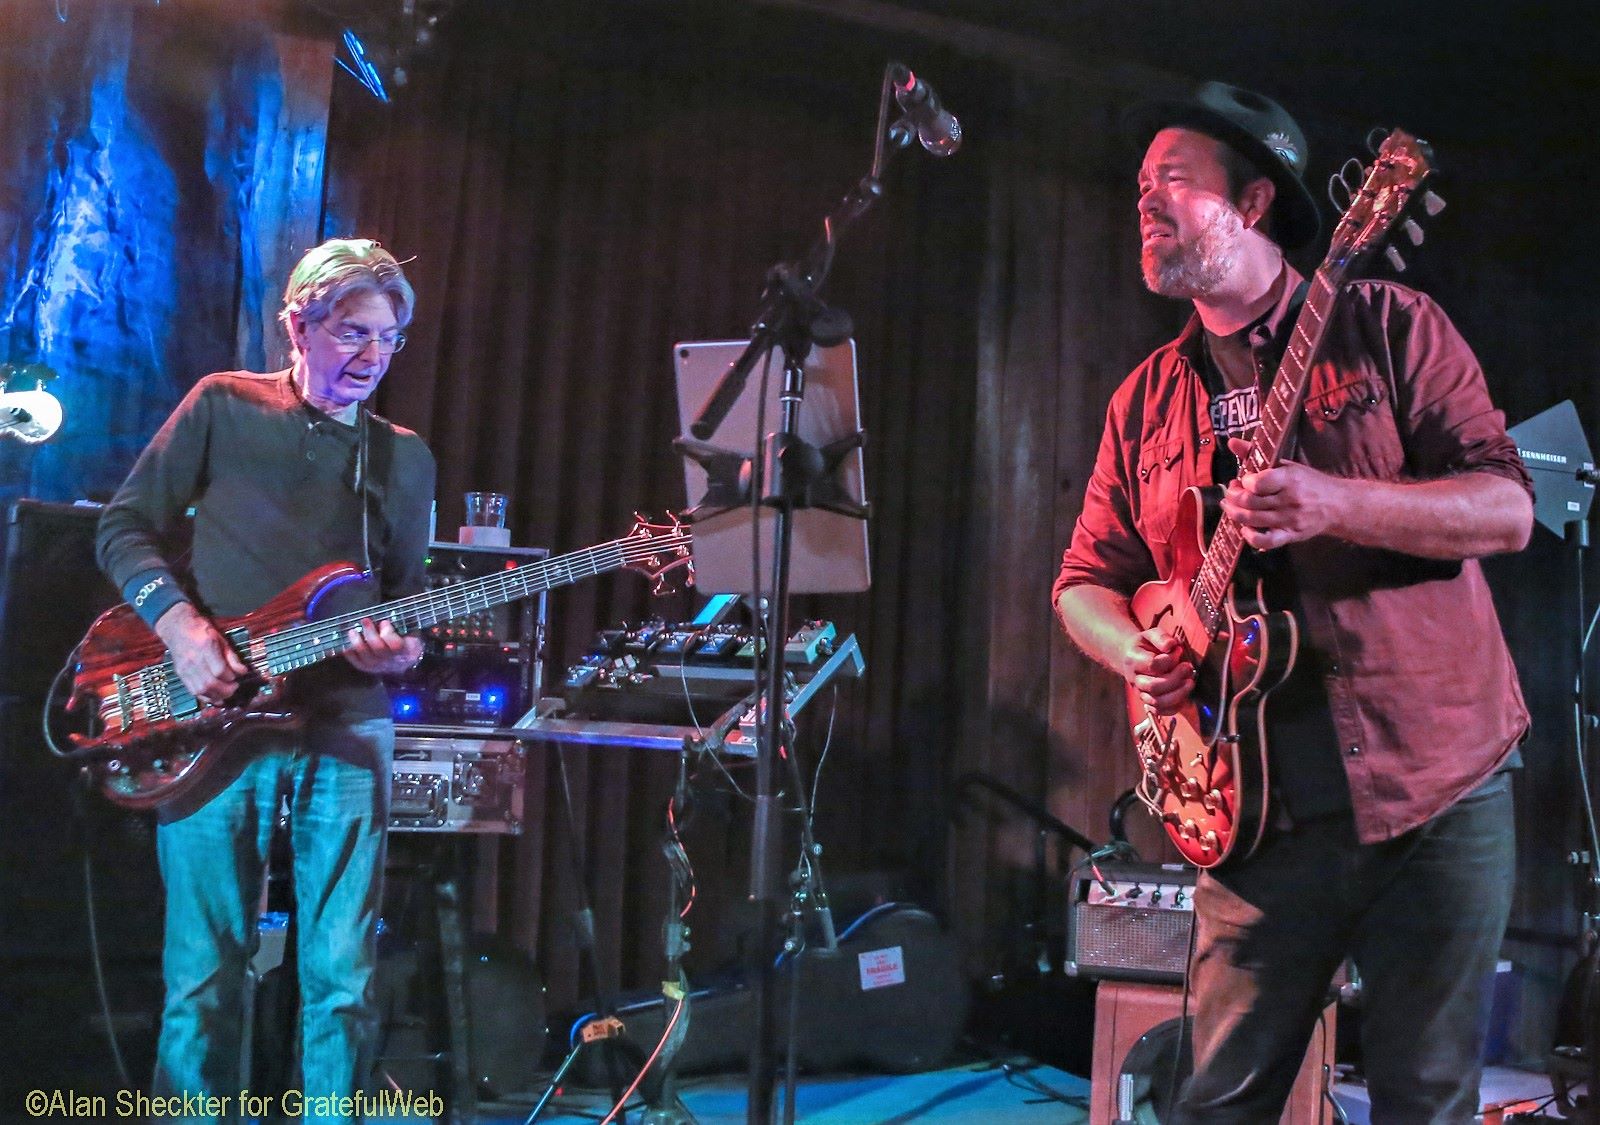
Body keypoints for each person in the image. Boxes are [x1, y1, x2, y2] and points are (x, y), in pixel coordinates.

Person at [1052, 82, 1533, 1121]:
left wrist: (1338, 502)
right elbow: (1083, 583)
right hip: (1253, 817)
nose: (1144, 200)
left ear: (1254, 201)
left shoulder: (1388, 326)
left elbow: (1506, 510)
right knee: (1215, 1103)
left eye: (1172, 179)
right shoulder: (1144, 398)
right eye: (1139, 186)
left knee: (1424, 1101)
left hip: (1433, 790)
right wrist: (1135, 649)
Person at [97, 238, 436, 1121]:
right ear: (298, 324)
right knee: (204, 971)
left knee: (343, 977)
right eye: (353, 332)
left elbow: (408, 600)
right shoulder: (224, 404)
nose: (373, 355)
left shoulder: (404, 458)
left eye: (389, 337)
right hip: (214, 719)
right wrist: (181, 629)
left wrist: (402, 653)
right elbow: (123, 528)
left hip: (347, 720)